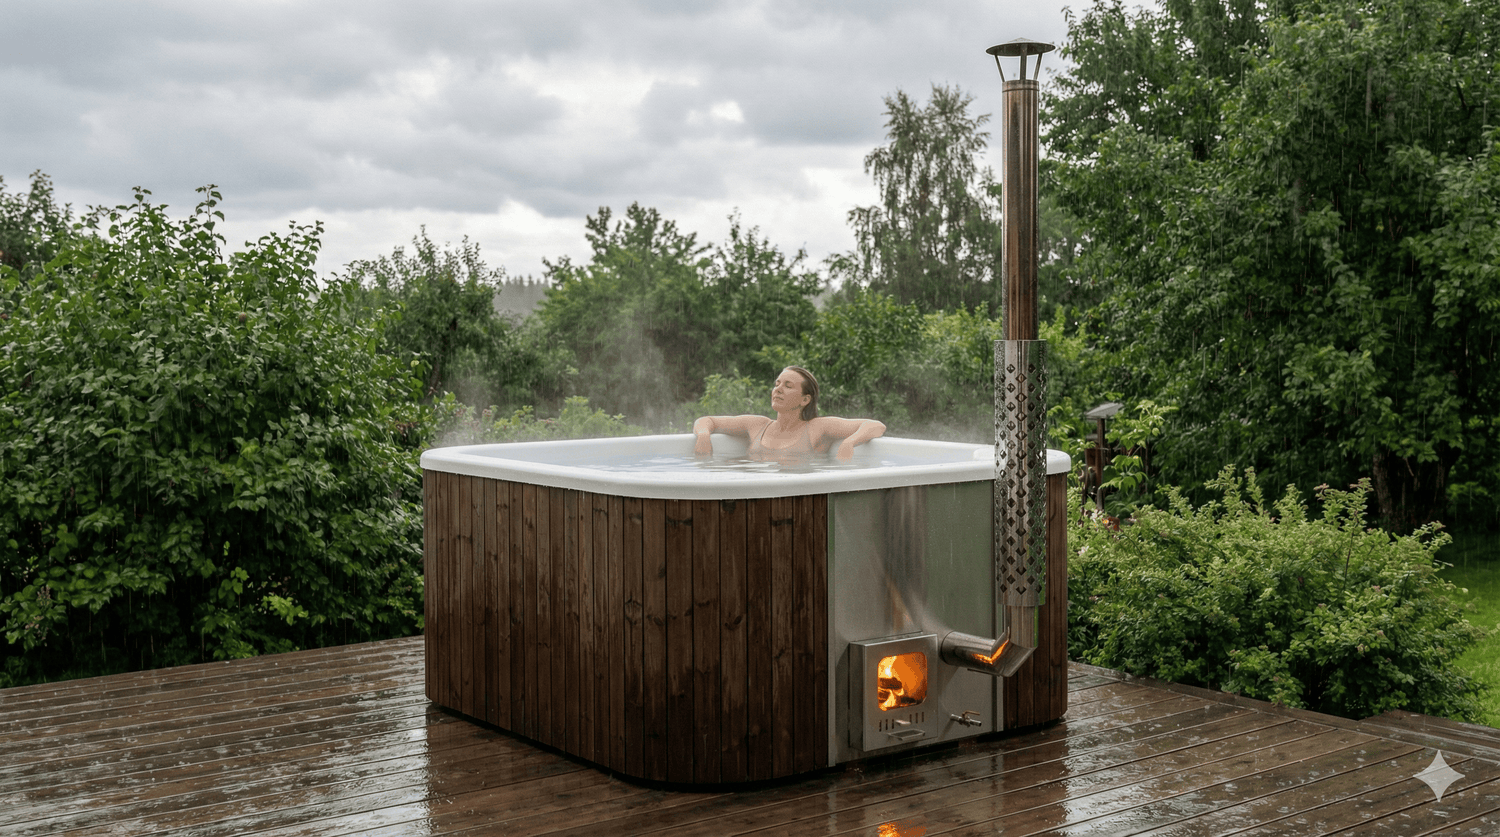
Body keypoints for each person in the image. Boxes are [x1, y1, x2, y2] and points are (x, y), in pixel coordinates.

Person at [691, 366, 886, 461]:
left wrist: (849, 443)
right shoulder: (757, 424)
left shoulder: (817, 427)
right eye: (777, 384)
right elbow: (707, 420)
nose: (778, 389)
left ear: (805, 400)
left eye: (788, 385)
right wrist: (703, 435)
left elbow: (875, 425)